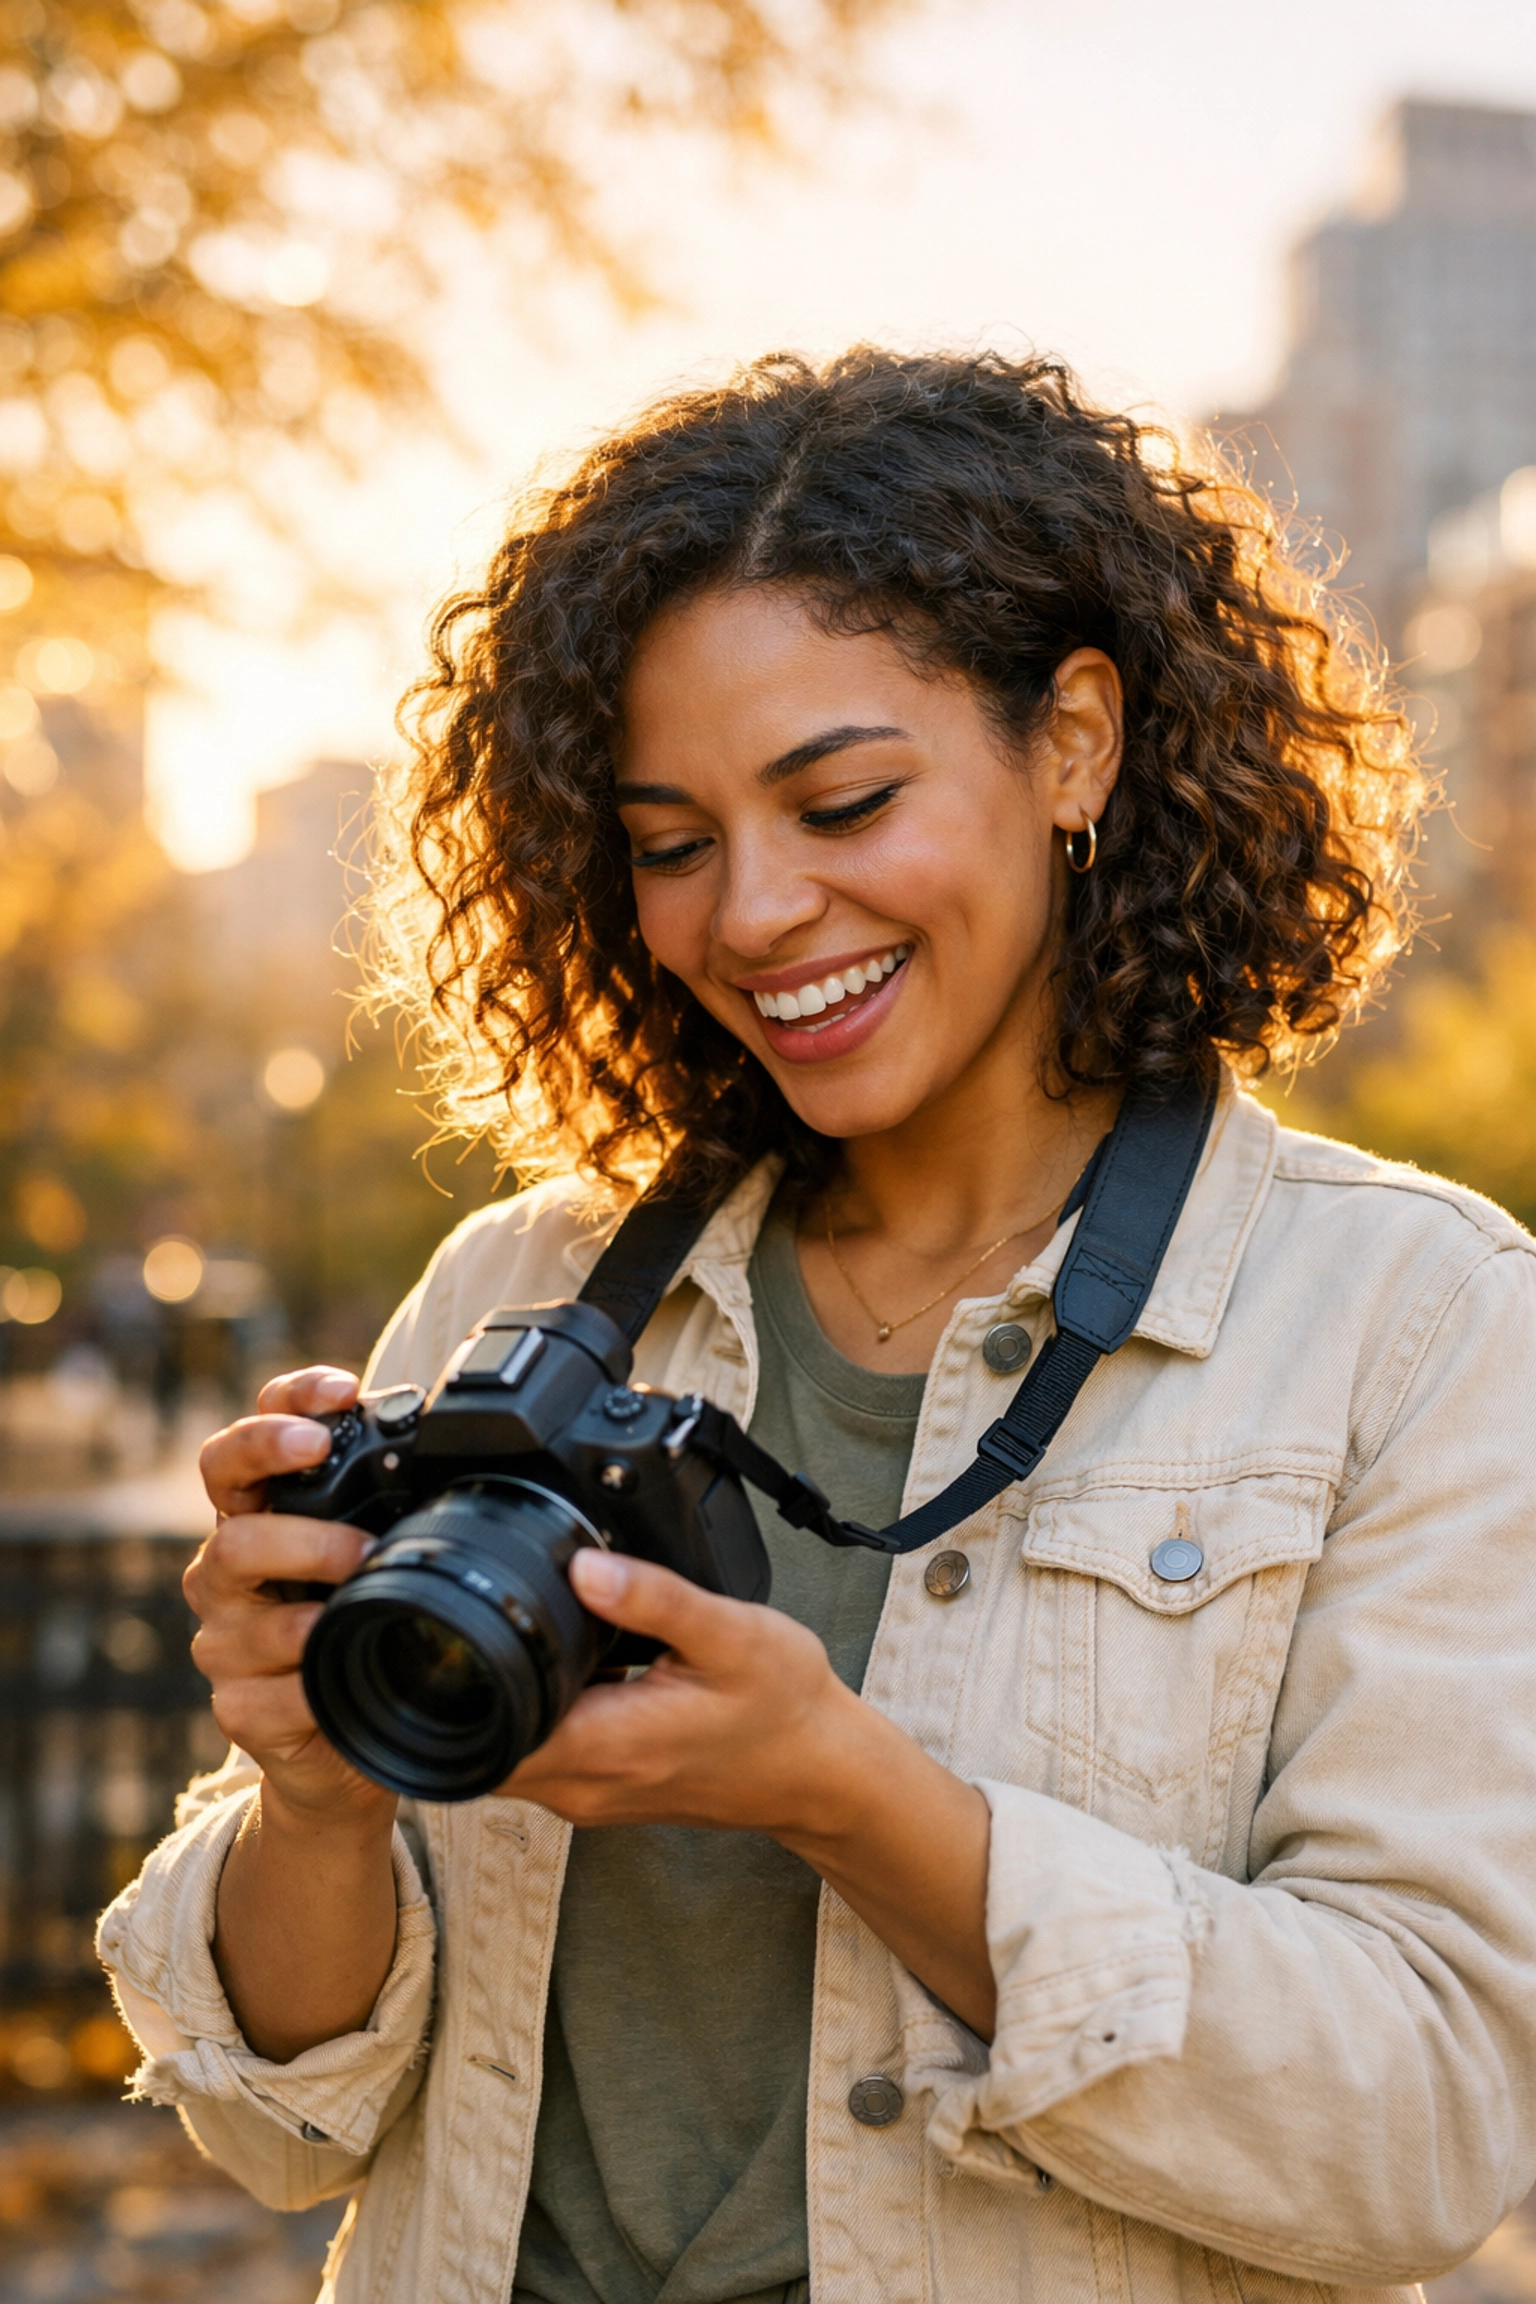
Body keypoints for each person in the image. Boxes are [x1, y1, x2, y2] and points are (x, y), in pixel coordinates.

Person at [100, 349, 1536, 2304]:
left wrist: (843, 1798)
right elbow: (279, 2124)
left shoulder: (1415, 1322)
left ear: (1077, 744)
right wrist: (319, 1788)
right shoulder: (526, 1289)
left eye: (842, 800)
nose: (754, 914)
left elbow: (1420, 2135)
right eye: (671, 842)